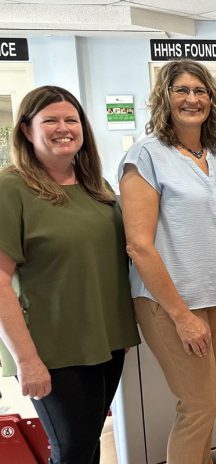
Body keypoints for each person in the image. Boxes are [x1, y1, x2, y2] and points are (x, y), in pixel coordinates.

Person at [0, 85, 140, 463]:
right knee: (73, 449)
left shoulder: (96, 186)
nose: (63, 128)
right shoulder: (11, 188)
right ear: (27, 130)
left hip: (104, 341)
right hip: (52, 349)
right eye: (50, 120)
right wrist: (27, 360)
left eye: (71, 119)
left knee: (87, 441)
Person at [118, 60, 216, 464]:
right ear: (164, 98)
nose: (192, 99)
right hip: (169, 302)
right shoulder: (146, 155)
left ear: (211, 100)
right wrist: (182, 315)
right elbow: (138, 245)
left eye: (200, 90)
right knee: (198, 406)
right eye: (181, 90)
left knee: (207, 405)